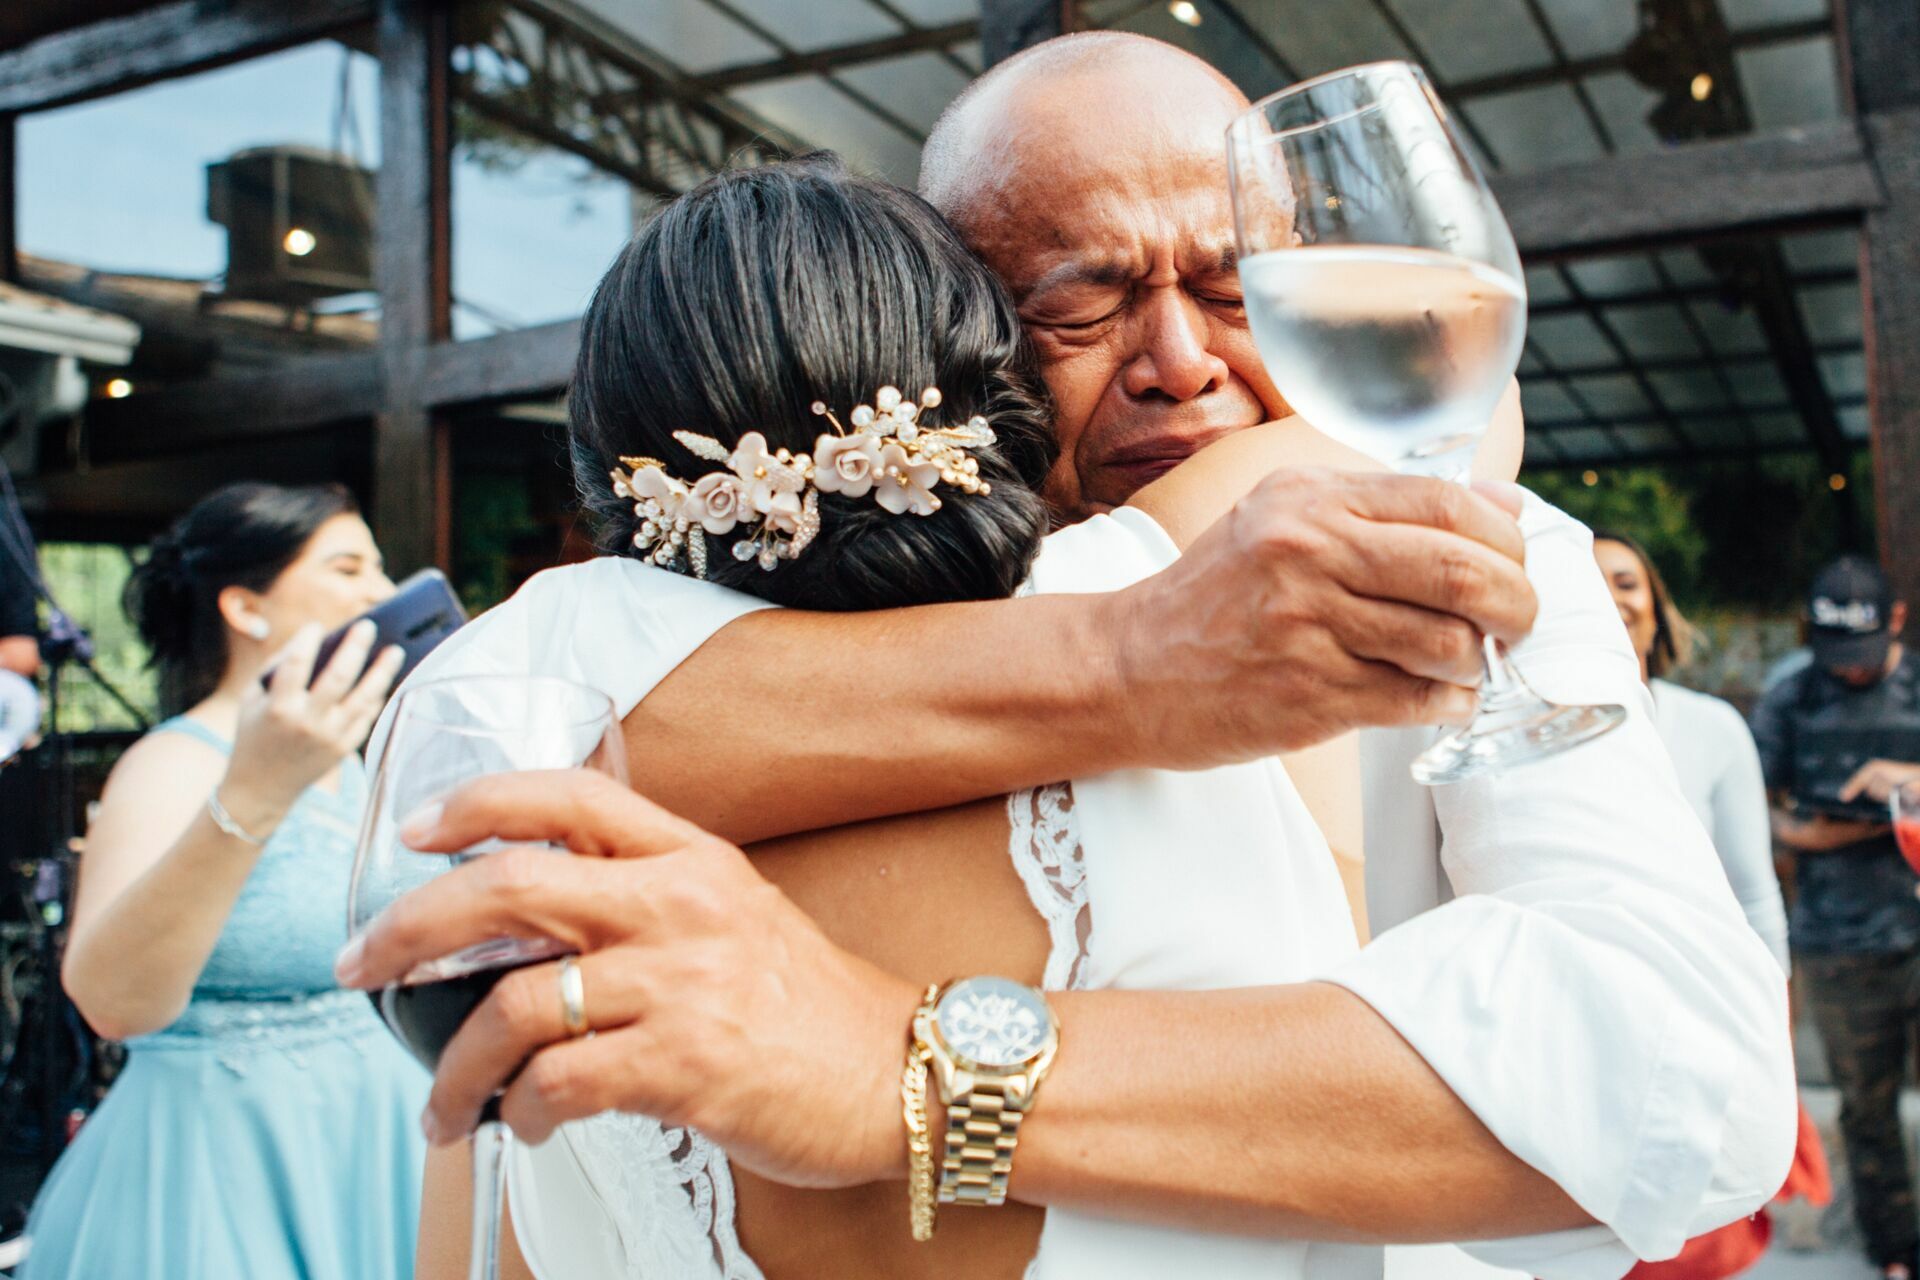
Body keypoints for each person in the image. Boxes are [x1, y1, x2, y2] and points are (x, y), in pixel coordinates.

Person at [356, 42, 1790, 1275]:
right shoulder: (622, 649)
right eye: (1078, 304)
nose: (1180, 361)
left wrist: (902, 1065)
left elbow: (1698, 1094)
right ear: (954, 334)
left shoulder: (1473, 540)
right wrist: (1128, 659)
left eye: (1240, 289)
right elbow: (449, 754)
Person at [21, 482, 419, 1280]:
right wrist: (256, 795)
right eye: (347, 569)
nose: (380, 592)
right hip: (220, 1169)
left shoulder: (354, 759)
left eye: (378, 569)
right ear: (245, 608)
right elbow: (113, 1003)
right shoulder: (170, 763)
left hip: (378, 1145)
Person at [1594, 531, 1831, 1280]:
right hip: (1589, 1021)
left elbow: (1756, 894)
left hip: (1698, 1021)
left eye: (1626, 581)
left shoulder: (1711, 728)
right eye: (1585, 581)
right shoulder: (1520, 729)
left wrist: (1773, 1037)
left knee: (1695, 1245)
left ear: (1657, 607)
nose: (1609, 597)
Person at [1752, 553, 1920, 1280]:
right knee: (1866, 1107)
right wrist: (1818, 831)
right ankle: (1895, 1250)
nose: (1851, 668)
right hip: (1838, 939)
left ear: (1897, 620)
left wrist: (1905, 783)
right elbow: (1756, 806)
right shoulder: (1790, 698)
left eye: (1865, 650)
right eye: (1836, 652)